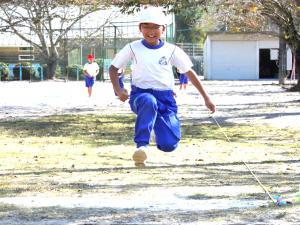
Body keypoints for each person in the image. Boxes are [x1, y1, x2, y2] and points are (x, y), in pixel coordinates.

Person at [109, 7, 215, 167]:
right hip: (141, 95)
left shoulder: (172, 50)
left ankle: (153, 128)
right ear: (140, 28)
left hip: (166, 98)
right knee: (148, 101)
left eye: (155, 27)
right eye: (146, 27)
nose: (151, 31)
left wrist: (206, 98)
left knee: (169, 145)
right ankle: (141, 147)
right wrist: (118, 90)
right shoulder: (132, 47)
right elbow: (113, 68)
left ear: (163, 29)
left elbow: (190, 72)